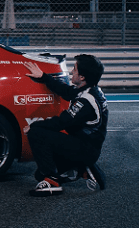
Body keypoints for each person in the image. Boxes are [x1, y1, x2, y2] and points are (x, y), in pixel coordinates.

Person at [23, 54, 108, 197]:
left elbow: (61, 123)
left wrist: (34, 126)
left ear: (82, 77)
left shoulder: (86, 101)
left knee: (36, 133)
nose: (71, 72)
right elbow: (67, 92)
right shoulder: (92, 90)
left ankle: (53, 182)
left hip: (85, 149)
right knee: (39, 175)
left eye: (74, 69)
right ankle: (83, 168)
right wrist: (44, 76)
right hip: (87, 146)